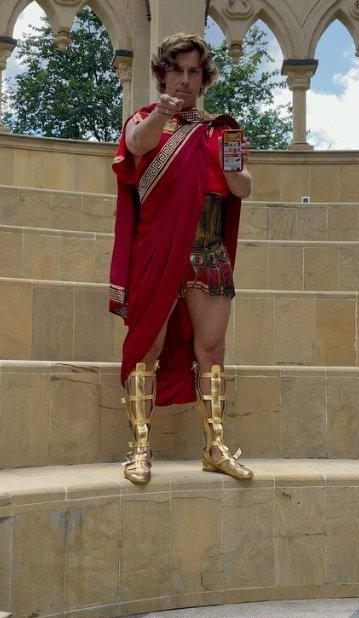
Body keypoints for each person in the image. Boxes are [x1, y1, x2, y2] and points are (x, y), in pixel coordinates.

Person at [109, 32, 254, 485]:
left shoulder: (220, 131)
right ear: (163, 74)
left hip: (208, 252)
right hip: (157, 251)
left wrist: (234, 169)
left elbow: (243, 187)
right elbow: (136, 145)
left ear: (203, 78)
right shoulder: (145, 119)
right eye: (177, 70)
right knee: (147, 345)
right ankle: (139, 447)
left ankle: (215, 446)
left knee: (212, 349)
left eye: (194, 72)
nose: (185, 80)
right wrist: (162, 113)